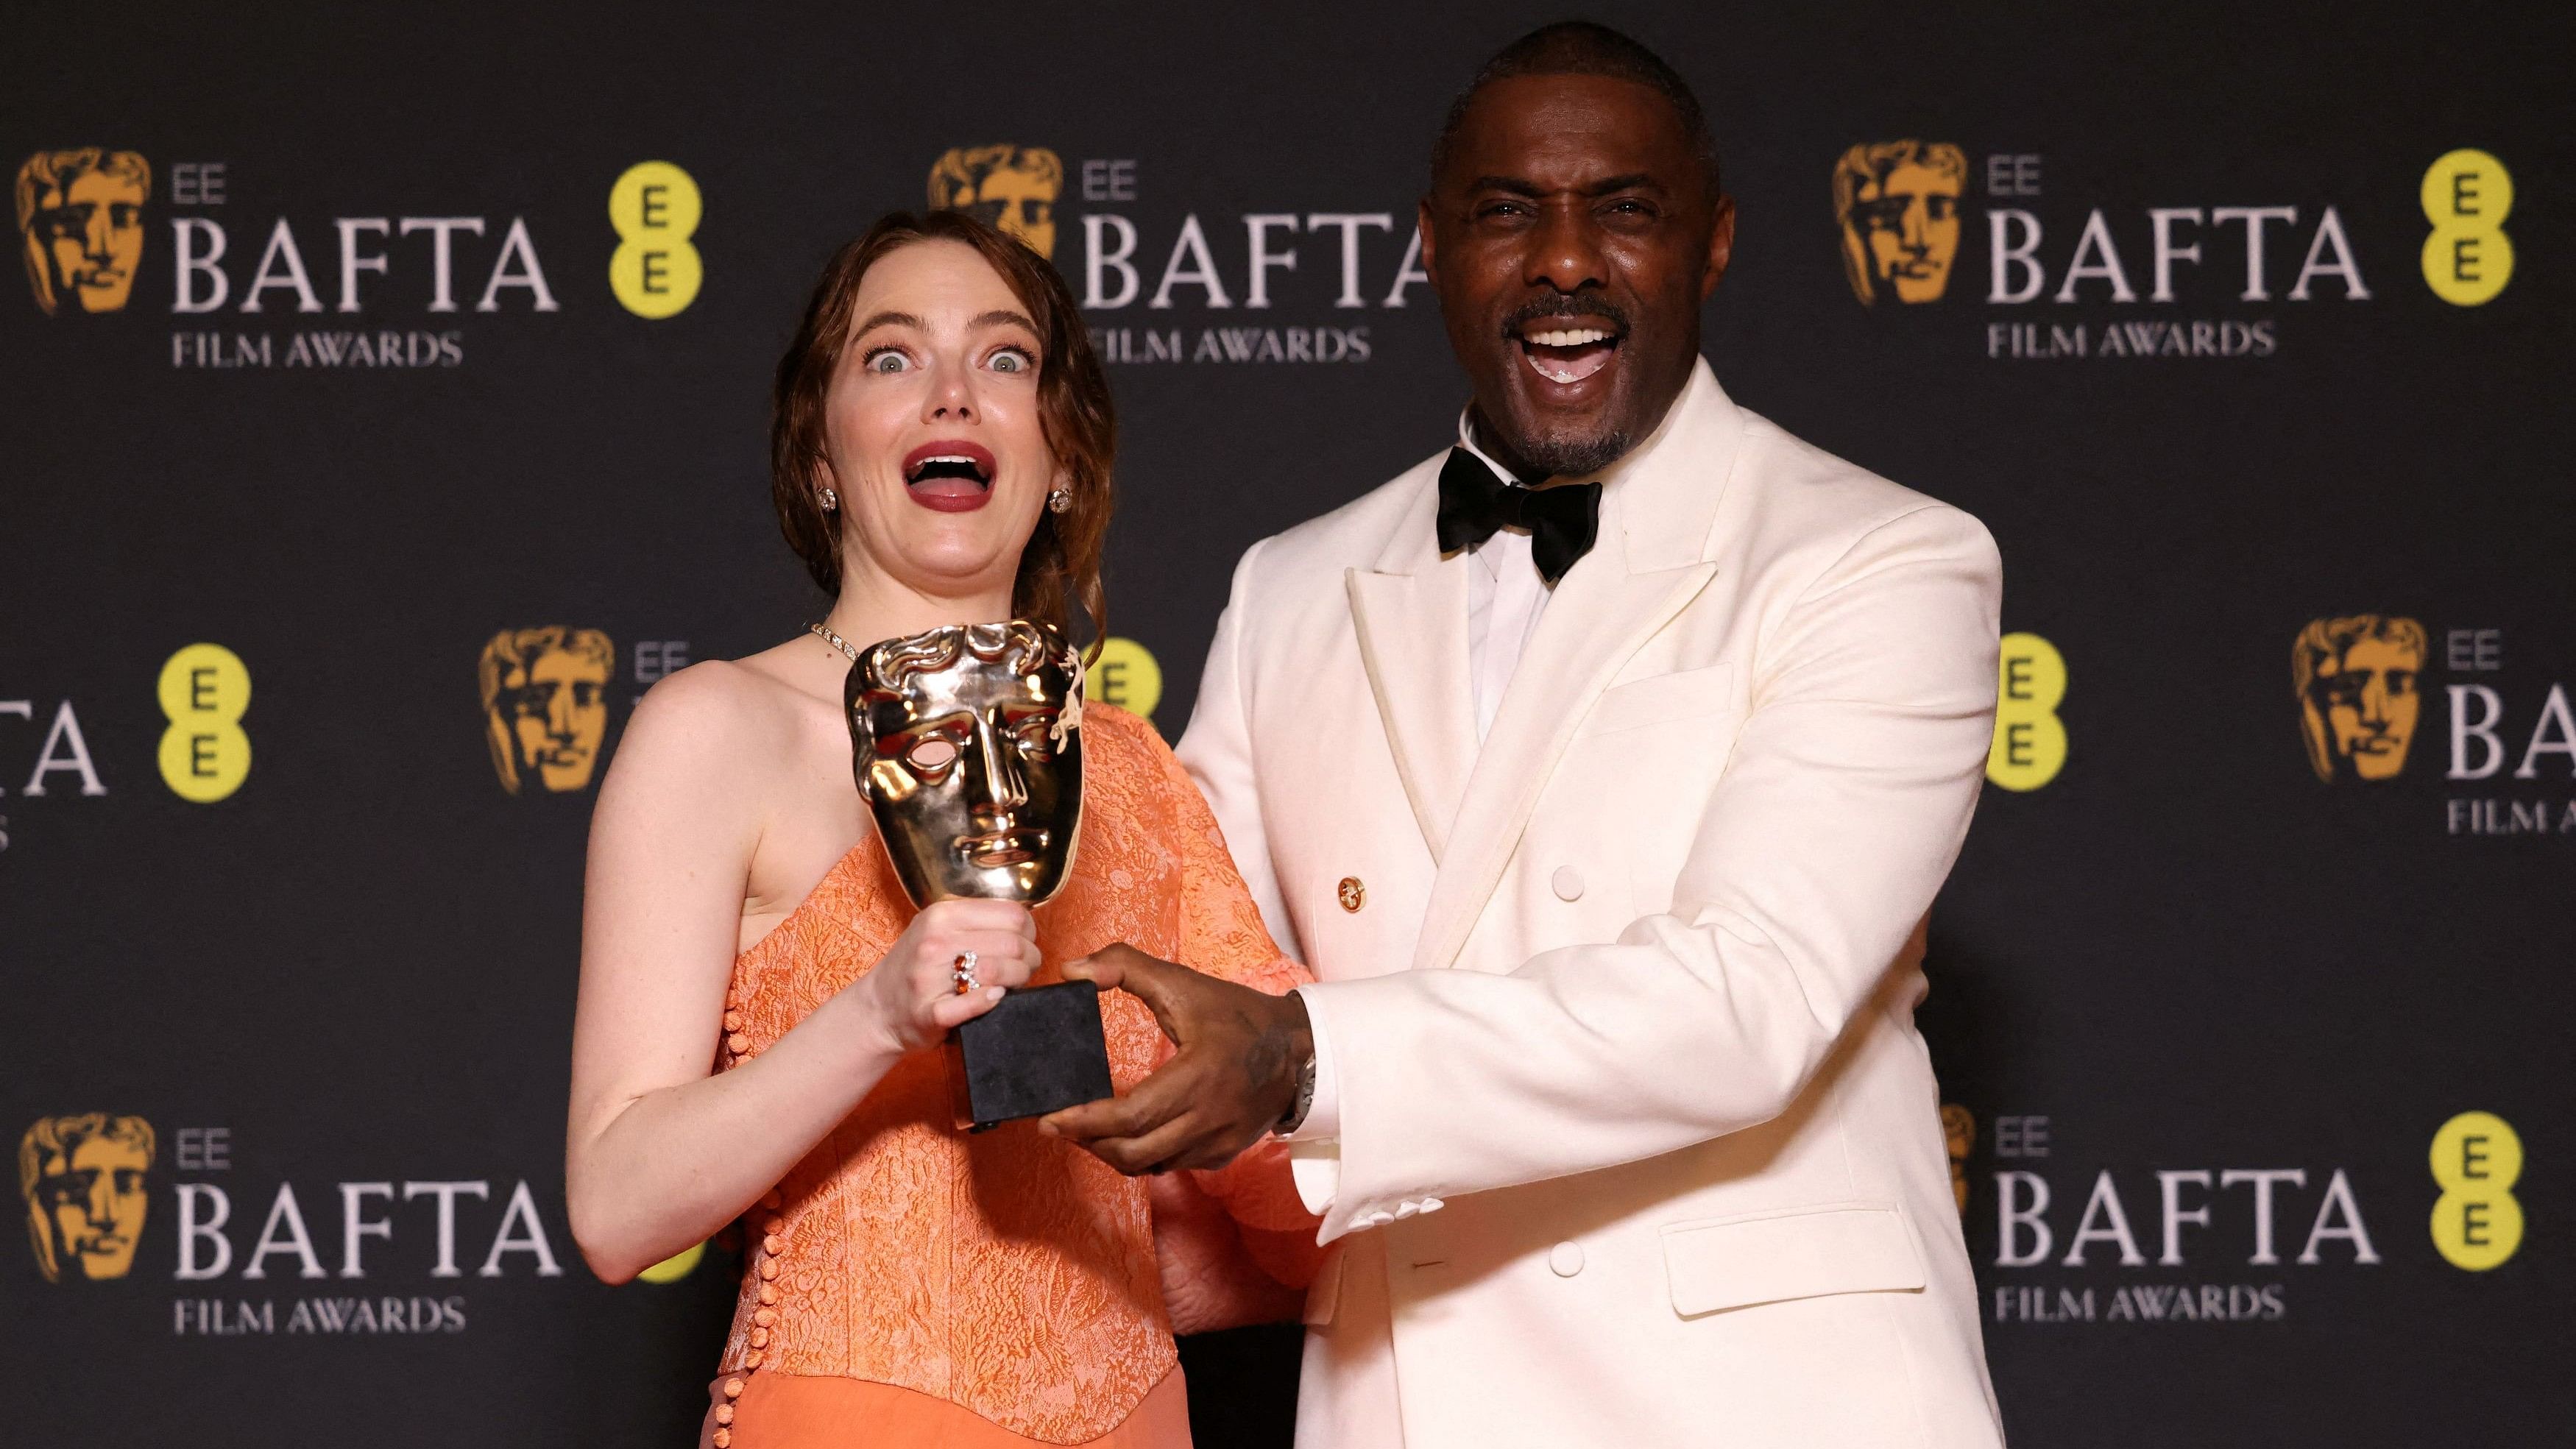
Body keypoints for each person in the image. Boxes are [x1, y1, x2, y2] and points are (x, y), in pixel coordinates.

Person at [1042, 23, 2006, 1448]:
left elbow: (1744, 1001)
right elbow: (1174, 989)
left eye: (1625, 208)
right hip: (1413, 1400)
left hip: (1769, 1406)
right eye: (1508, 211)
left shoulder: (1885, 560)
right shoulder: (1290, 588)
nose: (1565, 259)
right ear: (1429, 245)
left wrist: (1310, 1058)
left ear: (1714, 243)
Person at [565, 208, 1317, 1449]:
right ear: (821, 450)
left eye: (1006, 360)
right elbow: (614, 1202)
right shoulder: (717, 731)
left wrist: (1293, 1088)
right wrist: (875, 1015)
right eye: (893, 357)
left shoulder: (1133, 769)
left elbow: (1279, 1206)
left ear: (1059, 451)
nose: (953, 395)